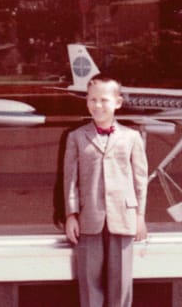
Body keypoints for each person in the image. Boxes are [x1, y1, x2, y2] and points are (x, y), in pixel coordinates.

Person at [63, 74, 148, 307]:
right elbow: (70, 180)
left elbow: (140, 180)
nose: (97, 105)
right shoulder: (76, 137)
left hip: (124, 217)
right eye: (92, 100)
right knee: (90, 285)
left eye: (104, 100)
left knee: (120, 284)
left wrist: (140, 216)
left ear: (118, 102)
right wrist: (71, 215)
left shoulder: (132, 137)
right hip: (90, 218)